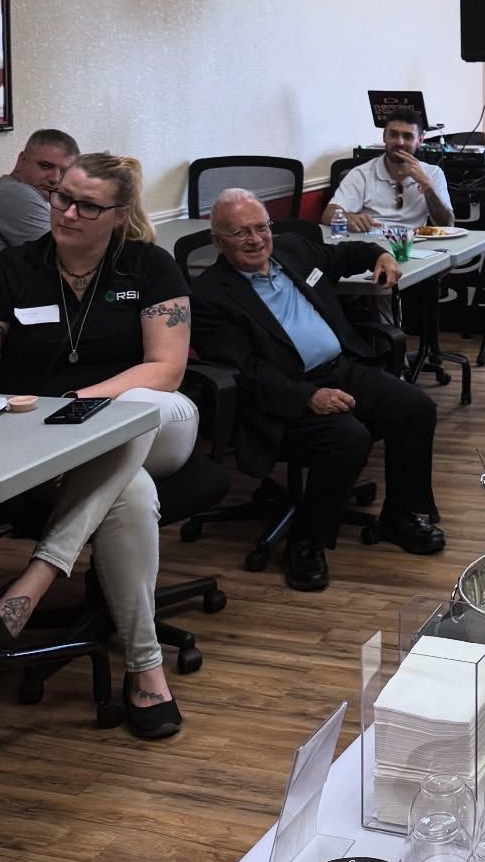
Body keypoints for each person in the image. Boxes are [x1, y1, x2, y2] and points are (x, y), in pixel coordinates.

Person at [0, 154, 198, 740]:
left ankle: (41, 573)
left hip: (158, 423)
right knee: (131, 493)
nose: (67, 213)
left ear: (119, 214)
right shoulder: (8, 271)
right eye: (60, 197)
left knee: (132, 412)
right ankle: (147, 669)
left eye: (87, 206)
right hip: (45, 446)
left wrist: (79, 405)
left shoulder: (149, 267)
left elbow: (166, 370)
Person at [191, 191, 443, 590]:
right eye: (240, 233)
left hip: (340, 368)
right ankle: (307, 541)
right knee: (347, 437)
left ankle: (401, 516)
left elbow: (347, 254)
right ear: (217, 241)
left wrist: (381, 255)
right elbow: (247, 372)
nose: (255, 240)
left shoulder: (292, 250)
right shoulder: (209, 295)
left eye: (260, 228)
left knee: (415, 407)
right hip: (279, 397)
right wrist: (307, 397)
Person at [0, 126, 79, 285]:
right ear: (22, 160)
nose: (55, 178)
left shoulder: (8, 188)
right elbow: (65, 261)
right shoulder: (16, 195)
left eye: (64, 171)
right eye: (45, 166)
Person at [323, 107, 453, 232]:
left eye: (407, 136)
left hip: (414, 243)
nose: (400, 142)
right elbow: (328, 214)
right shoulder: (362, 174)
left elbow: (447, 224)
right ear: (384, 137)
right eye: (393, 135)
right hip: (371, 241)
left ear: (419, 140)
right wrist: (348, 218)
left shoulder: (433, 173)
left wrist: (426, 185)